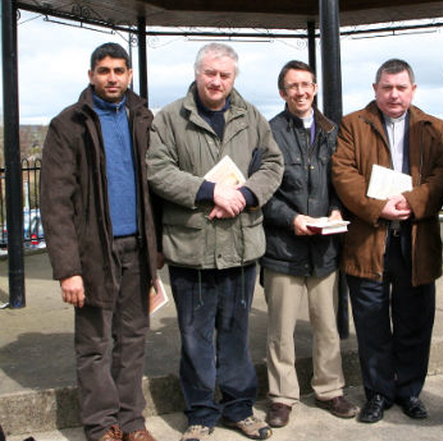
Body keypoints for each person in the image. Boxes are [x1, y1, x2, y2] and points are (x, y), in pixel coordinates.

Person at [146, 42, 284, 441]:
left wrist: (244, 195)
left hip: (241, 246)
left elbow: (273, 164)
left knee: (236, 334)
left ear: (234, 78)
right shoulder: (170, 118)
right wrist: (209, 191)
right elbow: (157, 169)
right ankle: (201, 413)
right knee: (195, 336)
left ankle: (240, 409)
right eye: (210, 73)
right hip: (193, 249)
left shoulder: (251, 116)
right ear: (196, 73)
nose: (217, 81)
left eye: (224, 75)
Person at [40, 42, 159, 441]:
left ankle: (131, 422)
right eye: (104, 70)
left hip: (138, 250)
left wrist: (156, 252)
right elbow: (55, 201)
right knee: (93, 345)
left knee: (133, 342)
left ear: (129, 75)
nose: (112, 78)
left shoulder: (142, 118)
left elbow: (156, 187)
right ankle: (100, 425)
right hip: (93, 254)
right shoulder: (68, 124)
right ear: (91, 75)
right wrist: (68, 269)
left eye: (119, 70)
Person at [331, 58, 443, 424]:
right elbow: (343, 173)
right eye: (387, 87)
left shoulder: (434, 127)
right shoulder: (353, 125)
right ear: (375, 90)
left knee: (415, 321)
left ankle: (410, 391)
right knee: (372, 323)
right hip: (369, 240)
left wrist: (412, 203)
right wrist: (378, 207)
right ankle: (378, 393)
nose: (394, 94)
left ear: (413, 90)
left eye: (401, 87)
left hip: (415, 240)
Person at [261, 61, 358, 428]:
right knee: (280, 330)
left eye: (306, 84)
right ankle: (282, 396)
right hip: (283, 249)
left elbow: (341, 180)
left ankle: (330, 389)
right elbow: (262, 190)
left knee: (327, 326)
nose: (300, 92)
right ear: (282, 92)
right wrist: (291, 219)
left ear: (315, 88)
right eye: (292, 86)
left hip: (325, 249)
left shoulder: (333, 131)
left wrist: (336, 209)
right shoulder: (269, 133)